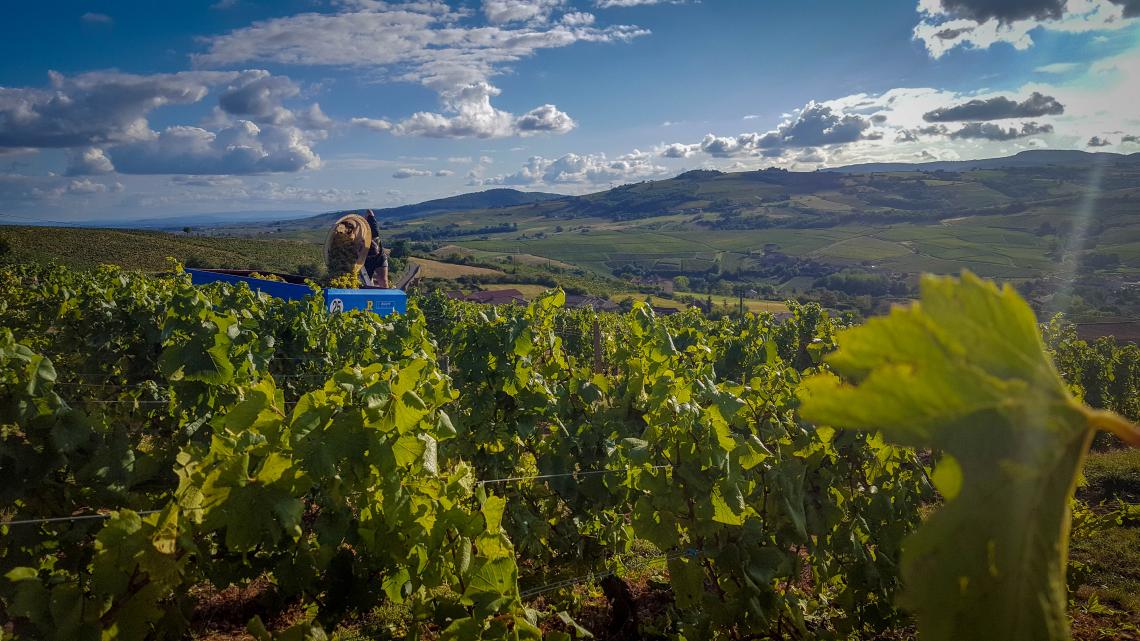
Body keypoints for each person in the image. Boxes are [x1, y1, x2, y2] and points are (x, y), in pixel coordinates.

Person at [363, 209, 389, 288]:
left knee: (383, 280)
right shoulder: (355, 237)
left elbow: (369, 211)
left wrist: (364, 219)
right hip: (364, 261)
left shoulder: (373, 229)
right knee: (368, 284)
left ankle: (387, 298)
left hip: (380, 258)